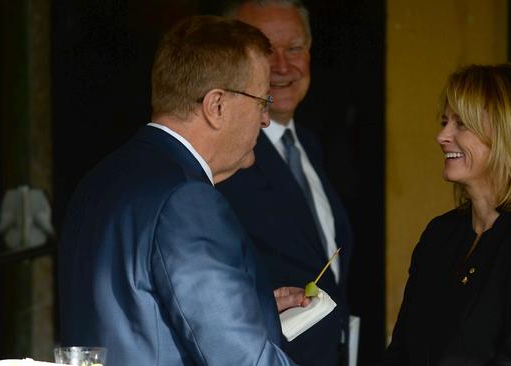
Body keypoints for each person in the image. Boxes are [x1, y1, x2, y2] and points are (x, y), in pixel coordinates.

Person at [58, 15, 310, 366]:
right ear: (217, 106)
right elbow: (245, 361)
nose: (266, 118)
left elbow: (141, 316)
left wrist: (255, 308)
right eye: (261, 101)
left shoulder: (98, 180)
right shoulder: (187, 199)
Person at [381, 64, 511, 365]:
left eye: (461, 124)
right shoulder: (440, 234)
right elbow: (400, 354)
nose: (442, 136)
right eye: (445, 121)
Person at [216, 1, 353, 365]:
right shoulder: (223, 156)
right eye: (265, 50)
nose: (282, 66)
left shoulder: (310, 143)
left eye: (294, 48)